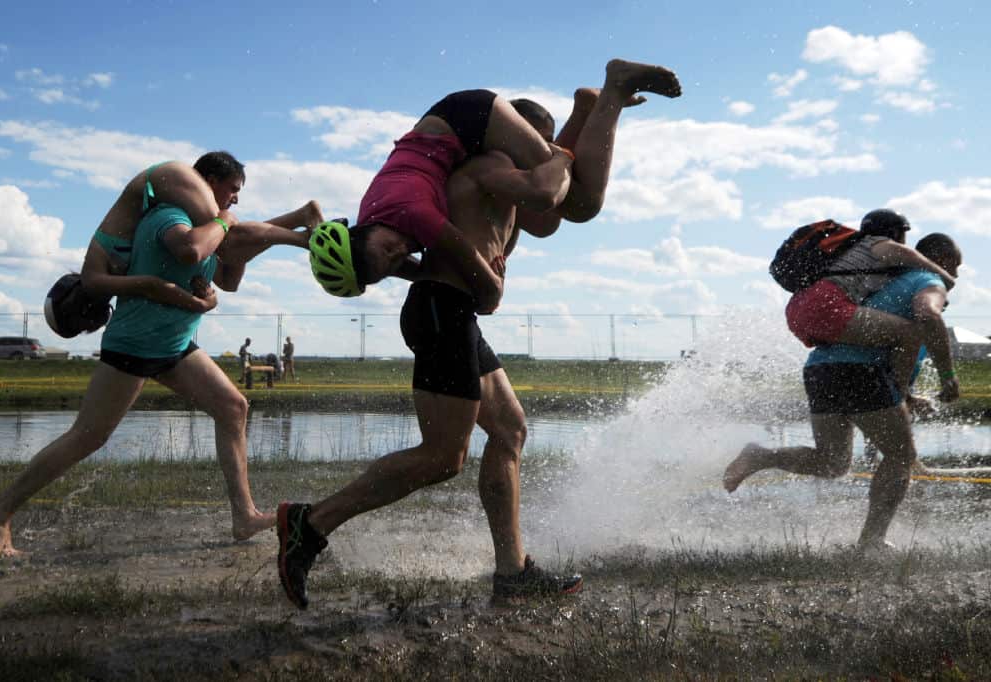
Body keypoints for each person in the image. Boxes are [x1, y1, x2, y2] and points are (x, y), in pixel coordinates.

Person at [276, 99, 601, 609]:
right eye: (379, 266)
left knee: (510, 429)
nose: (391, 257)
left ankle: (512, 570)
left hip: (451, 307)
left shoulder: (424, 201)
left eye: (383, 251)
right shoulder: (446, 192)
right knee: (444, 457)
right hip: (441, 311)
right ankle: (310, 524)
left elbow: (527, 224)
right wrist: (560, 157)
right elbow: (482, 244)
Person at [0, 155, 318, 557]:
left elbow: (228, 277)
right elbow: (189, 249)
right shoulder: (168, 216)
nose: (234, 202)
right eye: (232, 191)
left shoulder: (210, 226)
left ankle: (243, 516)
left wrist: (227, 266)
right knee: (88, 437)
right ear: (204, 182)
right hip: (134, 346)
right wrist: (253, 229)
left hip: (173, 346)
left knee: (233, 407)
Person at [308, 58, 682, 312]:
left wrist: (491, 294)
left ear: (363, 229)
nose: (399, 253)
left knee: (582, 204)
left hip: (469, 117)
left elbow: (473, 268)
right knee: (547, 221)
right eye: (389, 266)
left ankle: (613, 88)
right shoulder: (382, 236)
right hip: (459, 138)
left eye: (388, 249)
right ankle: (585, 110)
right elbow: (420, 268)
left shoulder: (409, 213)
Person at [723, 233, 963, 551]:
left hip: (822, 369)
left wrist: (906, 396)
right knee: (900, 456)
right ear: (940, 260)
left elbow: (896, 352)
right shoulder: (928, 279)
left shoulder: (881, 282)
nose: (956, 276)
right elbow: (928, 315)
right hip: (860, 373)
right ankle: (871, 542)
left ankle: (761, 456)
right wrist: (947, 376)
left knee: (832, 462)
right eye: (955, 266)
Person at [45, 156, 324, 335]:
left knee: (227, 239)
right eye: (234, 190)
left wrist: (198, 304)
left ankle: (307, 239)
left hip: (164, 179)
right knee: (228, 242)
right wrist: (240, 234)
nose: (236, 199)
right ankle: (301, 218)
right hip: (167, 178)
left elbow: (152, 285)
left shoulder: (95, 281)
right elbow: (228, 280)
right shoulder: (98, 277)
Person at [785, 209, 956, 390]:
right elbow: (928, 267)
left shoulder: (852, 250)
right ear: (896, 233)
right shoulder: (884, 245)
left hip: (797, 308)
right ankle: (901, 395)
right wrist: (944, 284)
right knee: (910, 333)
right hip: (825, 305)